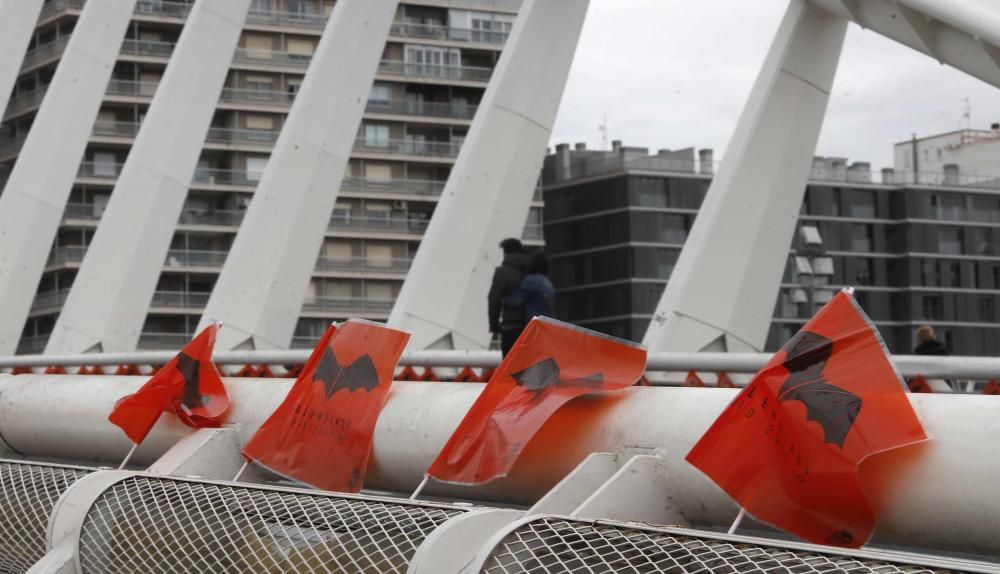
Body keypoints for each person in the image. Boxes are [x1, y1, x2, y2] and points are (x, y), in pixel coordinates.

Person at [488, 238, 527, 356]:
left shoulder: (503, 272)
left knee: (511, 369)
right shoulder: (531, 269)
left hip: (511, 326)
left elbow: (494, 300)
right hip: (530, 327)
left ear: (505, 252)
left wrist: (494, 325)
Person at [507, 250, 556, 322]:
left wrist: (504, 297)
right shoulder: (548, 282)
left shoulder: (531, 280)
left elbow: (515, 301)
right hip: (547, 324)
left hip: (536, 325)